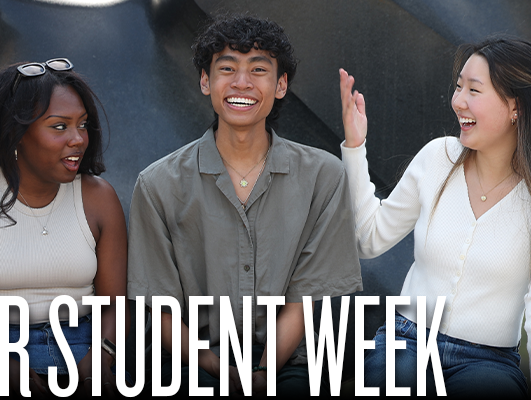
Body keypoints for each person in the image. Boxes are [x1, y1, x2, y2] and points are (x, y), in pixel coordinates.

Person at [338, 35, 531, 396]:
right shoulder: (437, 156)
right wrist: (354, 147)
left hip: (489, 361)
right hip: (407, 340)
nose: (458, 101)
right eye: (459, 87)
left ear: (515, 106)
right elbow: (369, 238)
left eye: (474, 90)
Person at [126, 15, 362, 396]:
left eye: (258, 69)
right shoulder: (157, 184)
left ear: (281, 85)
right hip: (194, 361)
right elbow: (163, 314)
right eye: (227, 68)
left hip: (291, 361)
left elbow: (304, 303)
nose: (241, 82)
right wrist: (222, 371)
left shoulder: (323, 176)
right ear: (206, 81)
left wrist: (263, 373)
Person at [0, 58, 127, 396]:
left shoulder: (99, 198)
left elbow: (115, 307)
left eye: (83, 125)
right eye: (59, 126)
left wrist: (101, 358)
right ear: (17, 134)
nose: (78, 139)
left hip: (81, 343)